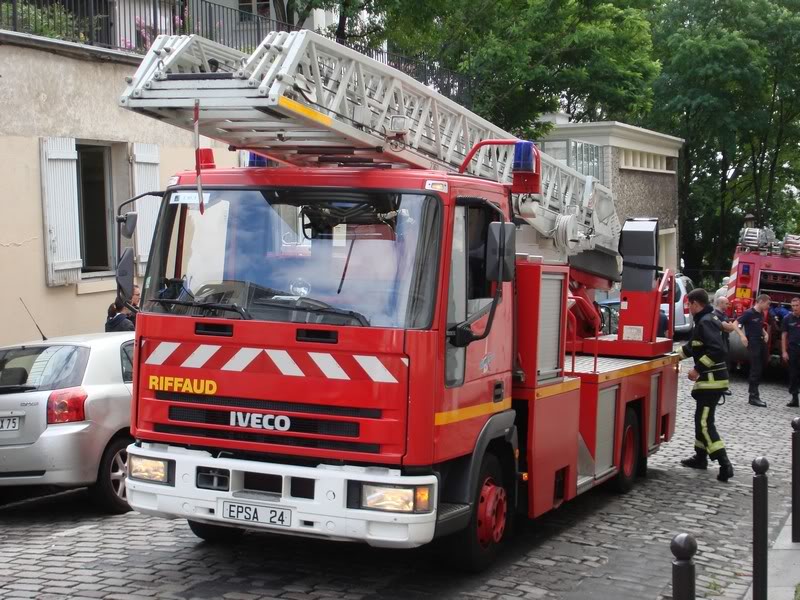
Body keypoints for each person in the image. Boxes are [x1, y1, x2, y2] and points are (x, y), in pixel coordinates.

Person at [678, 288, 734, 482]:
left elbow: (717, 350)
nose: (688, 308)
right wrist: (671, 357)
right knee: (699, 420)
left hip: (711, 380)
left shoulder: (706, 321)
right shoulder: (706, 319)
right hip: (711, 380)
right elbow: (691, 346)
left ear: (695, 304)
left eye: (688, 304)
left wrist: (697, 369)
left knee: (704, 423)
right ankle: (700, 457)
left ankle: (724, 463)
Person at [735, 294, 771, 407]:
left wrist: (765, 333)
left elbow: (759, 326)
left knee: (762, 365)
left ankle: (755, 394)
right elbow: (735, 323)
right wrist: (742, 336)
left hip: (760, 342)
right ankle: (753, 396)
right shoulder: (749, 313)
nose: (768, 306)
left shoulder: (760, 314)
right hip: (753, 342)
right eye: (767, 303)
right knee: (756, 368)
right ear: (760, 301)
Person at [781, 297, 800, 408]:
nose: (795, 308)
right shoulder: (787, 318)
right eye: (793, 306)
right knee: (793, 374)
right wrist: (784, 351)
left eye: (797, 305)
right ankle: (794, 398)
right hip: (793, 350)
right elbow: (784, 336)